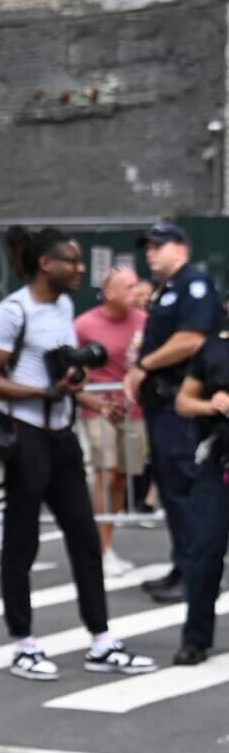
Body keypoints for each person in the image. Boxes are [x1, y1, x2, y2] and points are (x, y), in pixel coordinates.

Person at [0, 228, 153, 683]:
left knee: (85, 538)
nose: (79, 268)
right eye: (71, 261)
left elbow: (63, 375)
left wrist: (90, 400)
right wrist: (44, 391)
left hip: (61, 433)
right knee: (22, 543)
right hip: (25, 433)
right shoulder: (13, 310)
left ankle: (100, 640)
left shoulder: (63, 307)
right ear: (45, 265)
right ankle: (24, 645)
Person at [126, 224, 217, 603]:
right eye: (147, 247)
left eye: (158, 246)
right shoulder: (168, 290)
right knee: (172, 490)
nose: (150, 253)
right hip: (161, 404)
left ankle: (197, 572)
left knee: (184, 489)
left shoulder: (193, 285)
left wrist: (144, 364)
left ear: (180, 249)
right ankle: (183, 564)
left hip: (180, 404)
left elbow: (191, 338)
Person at [72, 264, 145, 580]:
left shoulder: (145, 322)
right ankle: (100, 550)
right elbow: (73, 368)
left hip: (135, 411)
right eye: (128, 287)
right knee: (106, 472)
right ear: (109, 292)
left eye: (136, 285)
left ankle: (108, 542)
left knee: (121, 479)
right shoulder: (84, 324)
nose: (136, 292)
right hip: (99, 409)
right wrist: (96, 400)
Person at [173, 313, 229, 666]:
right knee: (205, 553)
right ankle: (195, 639)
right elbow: (183, 401)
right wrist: (212, 404)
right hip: (218, 464)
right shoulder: (213, 348)